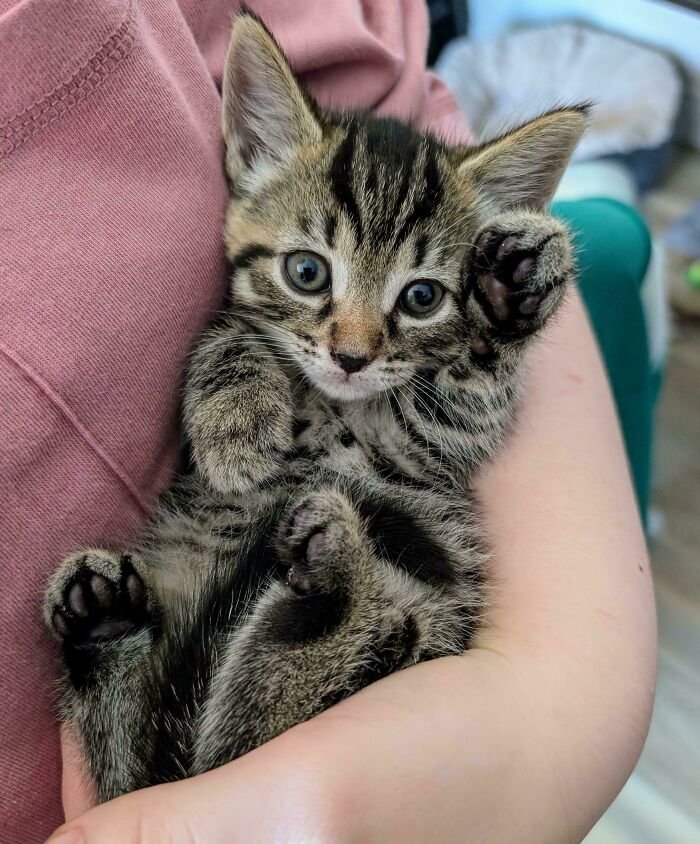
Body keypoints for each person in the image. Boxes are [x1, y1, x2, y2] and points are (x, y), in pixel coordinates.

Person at [0, 1, 655, 841]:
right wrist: (233, 365)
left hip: (375, 648)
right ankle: (194, 641)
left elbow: (454, 431)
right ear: (254, 158)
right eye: (310, 272)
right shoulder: (260, 343)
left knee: (371, 591)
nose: (351, 345)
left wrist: (489, 340)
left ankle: (266, 627)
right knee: (142, 734)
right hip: (210, 630)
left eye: (417, 298)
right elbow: (235, 449)